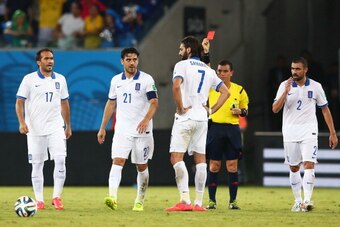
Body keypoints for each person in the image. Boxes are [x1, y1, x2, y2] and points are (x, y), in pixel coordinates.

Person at [165, 36, 230, 212]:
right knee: (201, 160)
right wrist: (211, 110)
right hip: (202, 118)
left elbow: (176, 87)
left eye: (181, 49)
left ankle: (185, 200)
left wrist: (180, 107)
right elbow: (226, 92)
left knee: (176, 158)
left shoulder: (181, 66)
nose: (179, 52)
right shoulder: (208, 70)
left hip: (185, 117)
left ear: (188, 50)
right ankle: (199, 203)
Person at [272, 57, 338, 212]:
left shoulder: (316, 86)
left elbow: (325, 109)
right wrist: (285, 93)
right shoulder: (284, 85)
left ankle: (307, 201)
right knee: (294, 167)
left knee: (309, 164)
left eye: (297, 69)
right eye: (292, 69)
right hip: (290, 131)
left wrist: (332, 133)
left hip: (309, 131)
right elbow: (275, 109)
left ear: (305, 70)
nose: (294, 72)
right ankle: (297, 201)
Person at [97, 47, 158, 212]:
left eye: (135, 59)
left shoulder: (147, 79)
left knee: (141, 166)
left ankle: (139, 200)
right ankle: (113, 197)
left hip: (142, 131)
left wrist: (146, 119)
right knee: (117, 161)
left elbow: (154, 103)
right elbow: (111, 103)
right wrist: (102, 127)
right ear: (122, 61)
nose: (132, 63)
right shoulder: (116, 80)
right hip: (122, 129)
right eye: (129, 59)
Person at [15, 48, 72, 210]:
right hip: (34, 129)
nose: (50, 61)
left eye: (52, 58)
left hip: (56, 127)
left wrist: (68, 125)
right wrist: (21, 122)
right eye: (46, 58)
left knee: (61, 160)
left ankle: (56, 197)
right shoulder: (29, 79)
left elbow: (64, 103)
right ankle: (39, 200)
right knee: (37, 165)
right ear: (39, 62)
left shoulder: (60, 79)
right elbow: (19, 102)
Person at [206, 59, 249, 210]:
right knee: (214, 165)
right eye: (219, 71)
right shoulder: (210, 88)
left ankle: (233, 201)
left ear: (231, 72)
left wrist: (240, 112)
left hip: (232, 129)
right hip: (215, 129)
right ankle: (211, 201)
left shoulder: (239, 90)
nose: (222, 74)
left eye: (225, 71)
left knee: (232, 166)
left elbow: (245, 110)